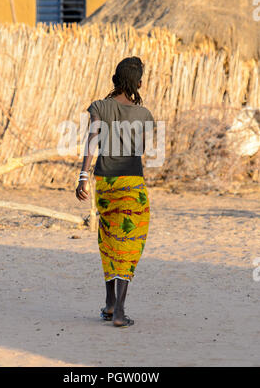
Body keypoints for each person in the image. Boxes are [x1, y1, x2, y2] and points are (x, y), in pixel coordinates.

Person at [75, 56, 154, 328]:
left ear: (114, 80)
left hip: (105, 182)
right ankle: (119, 311)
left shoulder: (99, 107)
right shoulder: (143, 115)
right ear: (139, 83)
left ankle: (109, 305)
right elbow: (142, 150)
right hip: (131, 182)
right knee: (129, 241)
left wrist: (83, 176)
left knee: (108, 238)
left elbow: (92, 141)